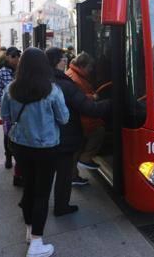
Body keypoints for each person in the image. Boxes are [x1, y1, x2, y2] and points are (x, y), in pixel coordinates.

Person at [1, 47, 69, 257]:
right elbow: (64, 118)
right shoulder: (52, 90)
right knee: (42, 193)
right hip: (47, 148)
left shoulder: (10, 89)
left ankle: (30, 230)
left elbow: (5, 115)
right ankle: (37, 243)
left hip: (21, 146)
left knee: (28, 187)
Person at [45, 48, 110, 216]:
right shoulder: (65, 83)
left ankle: (35, 207)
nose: (65, 62)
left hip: (46, 137)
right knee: (64, 174)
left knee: (48, 175)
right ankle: (61, 206)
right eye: (61, 59)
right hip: (65, 135)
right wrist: (110, 103)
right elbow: (86, 108)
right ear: (55, 62)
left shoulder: (44, 80)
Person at [65, 52, 105, 177]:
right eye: (89, 67)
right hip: (81, 118)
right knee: (99, 130)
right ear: (82, 66)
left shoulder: (74, 74)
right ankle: (86, 158)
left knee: (77, 147)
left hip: (76, 117)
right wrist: (93, 97)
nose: (91, 70)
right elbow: (78, 98)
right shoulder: (75, 78)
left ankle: (73, 176)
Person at [0, 47, 21, 171]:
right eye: (13, 57)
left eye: (17, 57)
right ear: (7, 57)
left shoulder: (19, 70)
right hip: (7, 110)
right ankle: (8, 156)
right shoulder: (4, 71)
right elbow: (11, 90)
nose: (15, 59)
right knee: (7, 134)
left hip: (18, 109)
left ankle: (17, 157)